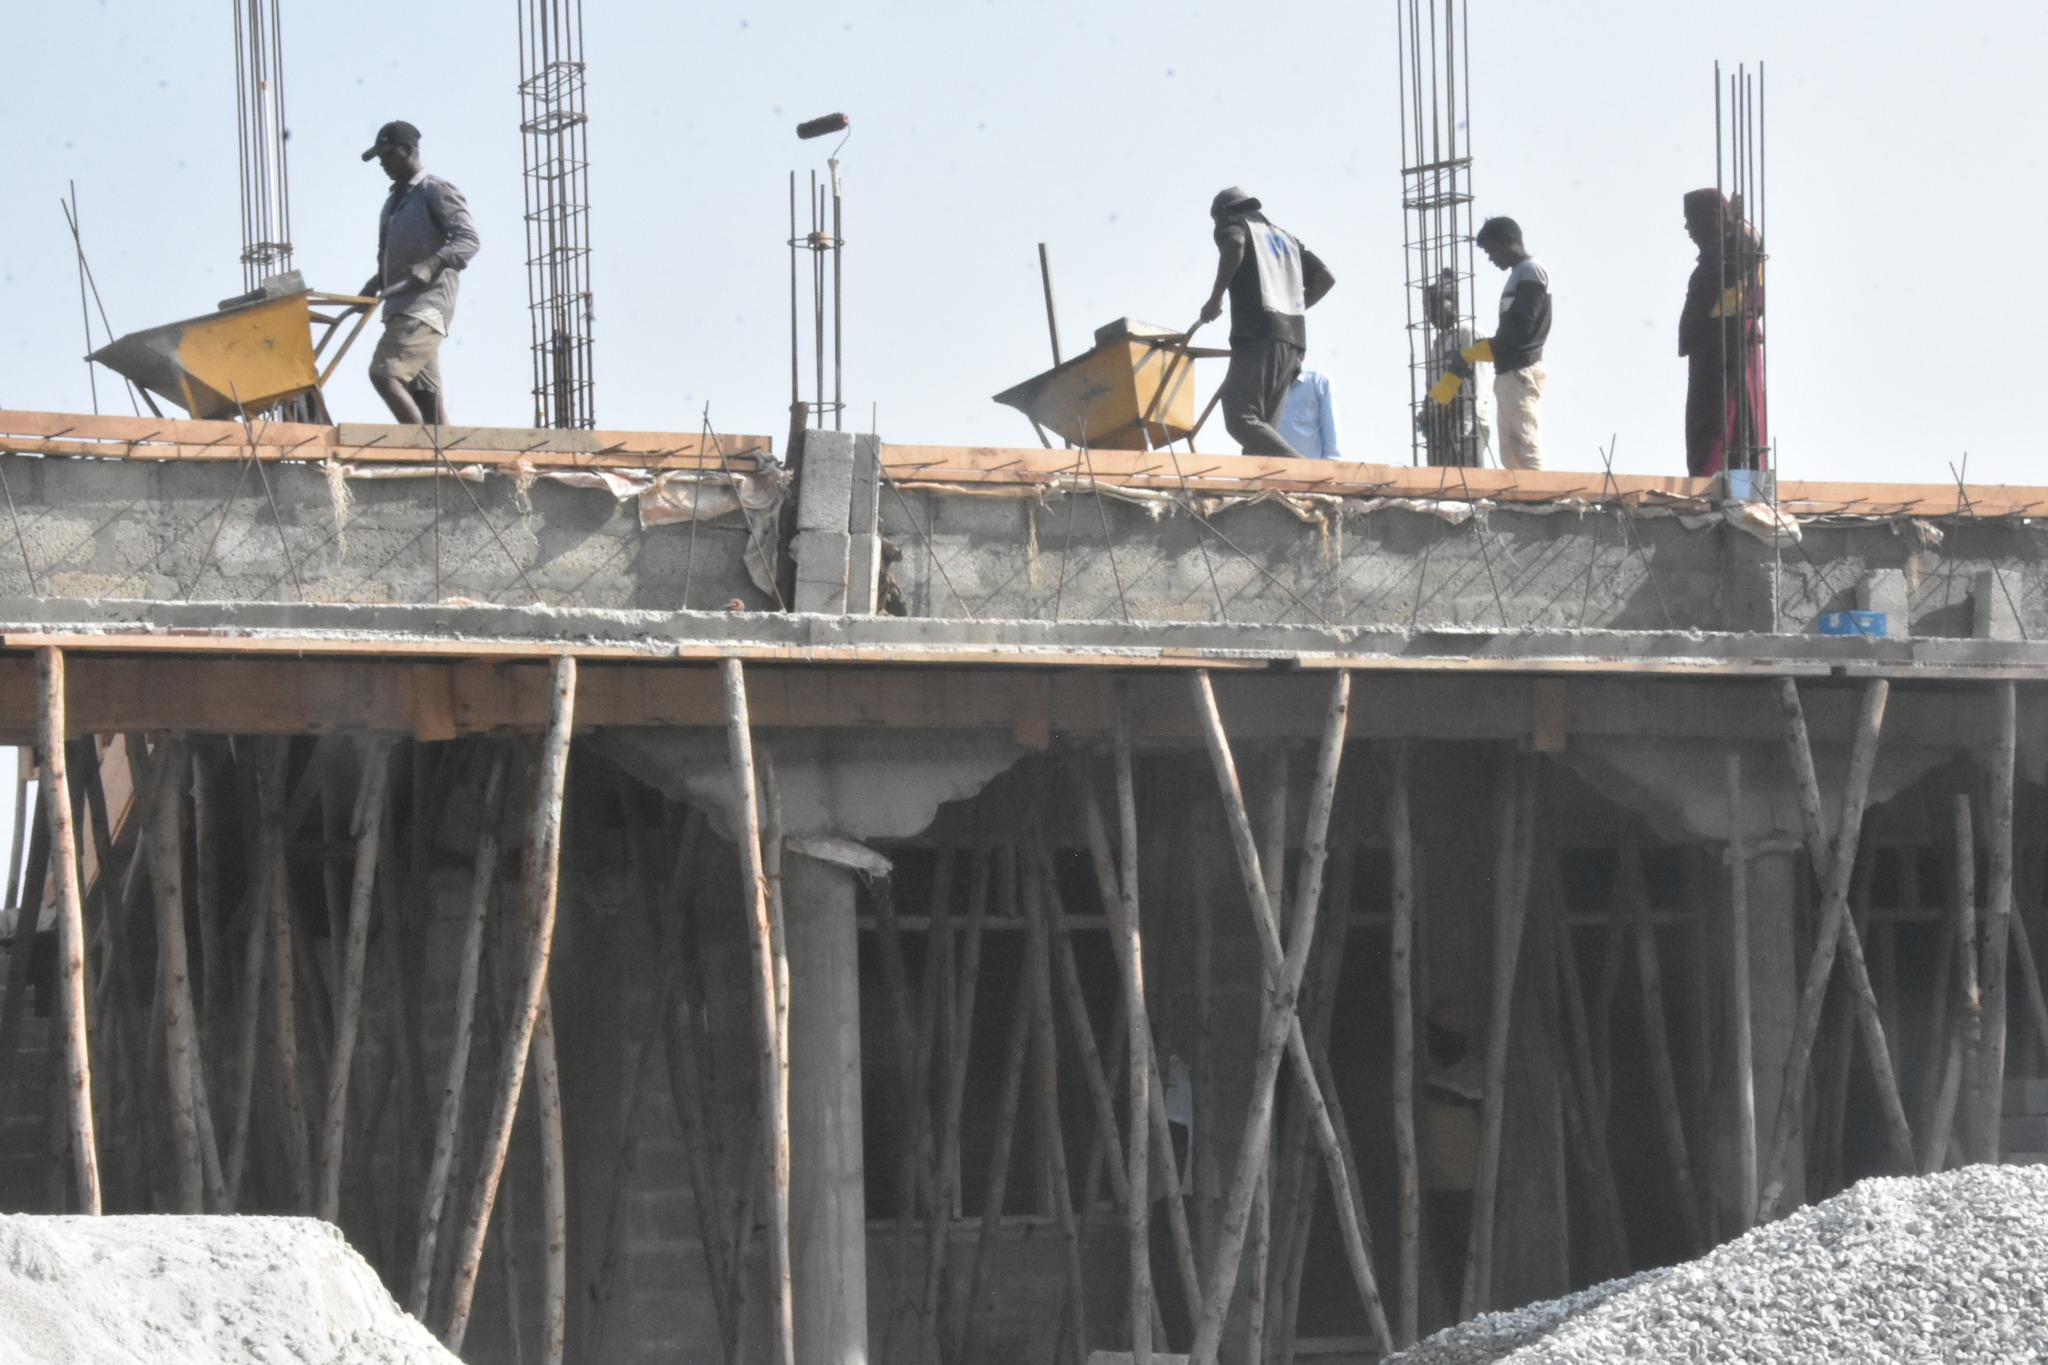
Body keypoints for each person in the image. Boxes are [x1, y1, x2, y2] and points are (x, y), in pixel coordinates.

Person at [1197, 187, 1335, 457]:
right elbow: (1325, 278)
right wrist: (1291, 308)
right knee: (1260, 442)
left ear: (1222, 213)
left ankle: (1303, 470)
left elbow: (1235, 244)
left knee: (1240, 416)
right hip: (1293, 345)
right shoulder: (1287, 239)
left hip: (1258, 335)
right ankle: (1280, 479)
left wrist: (1215, 299)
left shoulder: (1233, 224)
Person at [360, 120, 480, 424]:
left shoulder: (435, 190)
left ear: (409, 150)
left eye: (388, 155)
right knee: (427, 399)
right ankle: (441, 451)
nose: (382, 163)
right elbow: (390, 257)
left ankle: (418, 447)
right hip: (399, 308)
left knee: (384, 374)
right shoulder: (393, 203)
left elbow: (468, 240)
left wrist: (432, 264)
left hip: (423, 308)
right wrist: (375, 283)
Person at [1679, 188, 1767, 479]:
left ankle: (1736, 487)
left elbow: (1750, 245)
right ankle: (1713, 483)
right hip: (1710, 352)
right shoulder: (1714, 257)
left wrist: (1737, 222)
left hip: (1731, 348)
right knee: (1709, 426)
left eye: (1692, 220)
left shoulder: (1734, 250)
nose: (1688, 228)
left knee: (1732, 423)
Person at [1452, 217, 1549, 471]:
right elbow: (1511, 333)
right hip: (1510, 373)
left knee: (1525, 447)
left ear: (1509, 242)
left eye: (1492, 251)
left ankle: (1538, 492)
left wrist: (1475, 351)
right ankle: (1524, 494)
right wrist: (1477, 351)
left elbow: (1520, 331)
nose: (1491, 259)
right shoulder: (1518, 274)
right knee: (1511, 453)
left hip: (1521, 371)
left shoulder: (1531, 271)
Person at [1422, 994, 1482, 1317]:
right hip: (1435, 1189)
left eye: (1437, 1033)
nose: (1430, 1039)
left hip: (1467, 1190)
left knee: (1465, 1267)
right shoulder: (1430, 1073)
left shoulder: (1475, 1076)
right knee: (1445, 1265)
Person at [1420, 270, 1491, 467]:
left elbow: (1476, 389)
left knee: (1468, 480)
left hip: (1469, 427)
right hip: (1442, 429)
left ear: (1452, 302)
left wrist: (1463, 431)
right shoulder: (1439, 342)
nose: (1430, 314)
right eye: (1427, 308)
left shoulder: (1469, 333)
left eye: (1436, 306)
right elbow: (1435, 388)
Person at [1276, 368, 1341, 458]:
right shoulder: (1265, 388)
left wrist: (1332, 465)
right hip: (1269, 465)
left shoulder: (1319, 382)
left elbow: (1332, 449)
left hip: (1311, 466)